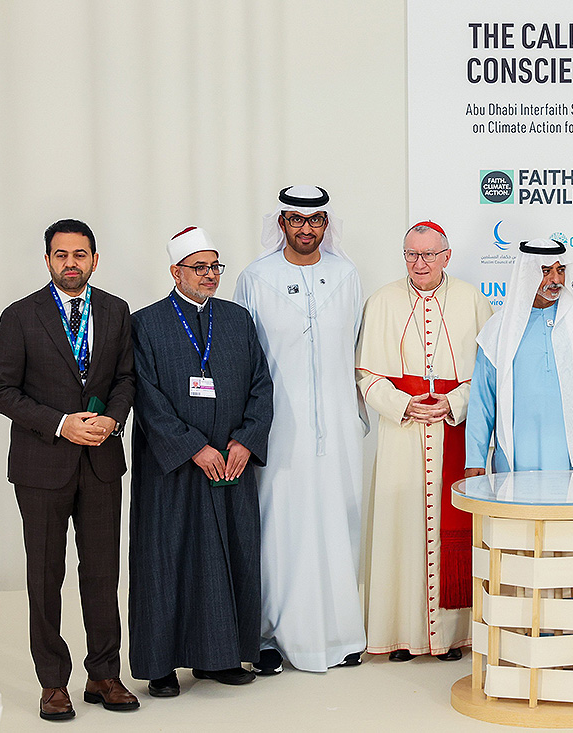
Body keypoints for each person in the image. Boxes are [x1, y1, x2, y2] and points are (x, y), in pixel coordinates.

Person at [0, 219, 139, 720]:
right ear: (47, 260)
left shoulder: (116, 312)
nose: (70, 262)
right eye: (60, 254)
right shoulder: (20, 315)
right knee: (45, 576)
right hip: (41, 467)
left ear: (95, 259)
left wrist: (112, 419)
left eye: (80, 254)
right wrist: (60, 425)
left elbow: (125, 379)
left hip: (100, 462)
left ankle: (104, 673)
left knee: (102, 573)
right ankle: (53, 682)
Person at [128, 226, 273, 696]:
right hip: (172, 467)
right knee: (167, 558)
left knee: (232, 555)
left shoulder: (237, 318)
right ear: (176, 272)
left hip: (231, 462)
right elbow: (145, 398)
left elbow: (261, 386)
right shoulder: (145, 323)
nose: (210, 275)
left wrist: (246, 442)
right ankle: (161, 665)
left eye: (215, 266)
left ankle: (221, 656)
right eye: (200, 267)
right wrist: (192, 446)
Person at [234, 185, 367, 673]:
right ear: (282, 224)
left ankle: (342, 633)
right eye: (295, 220)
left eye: (314, 221)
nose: (306, 229)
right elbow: (239, 355)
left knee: (339, 519)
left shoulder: (346, 274)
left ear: (325, 226)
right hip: (277, 426)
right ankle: (270, 635)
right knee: (278, 525)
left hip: (336, 427)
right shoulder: (255, 277)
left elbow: (354, 347)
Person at [358, 221, 492, 662]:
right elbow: (366, 374)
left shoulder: (472, 299)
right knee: (401, 528)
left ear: (446, 257)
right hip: (402, 433)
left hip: (454, 429)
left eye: (429, 255)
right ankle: (401, 634)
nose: (420, 264)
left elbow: (489, 374)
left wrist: (454, 401)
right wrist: (403, 404)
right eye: (412, 255)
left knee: (455, 527)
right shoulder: (382, 300)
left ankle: (453, 635)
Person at [464, 238, 573, 475]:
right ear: (527, 274)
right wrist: (474, 459)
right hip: (515, 461)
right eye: (546, 271)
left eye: (561, 270)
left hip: (572, 461)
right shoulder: (499, 330)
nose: (555, 280)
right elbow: (482, 402)